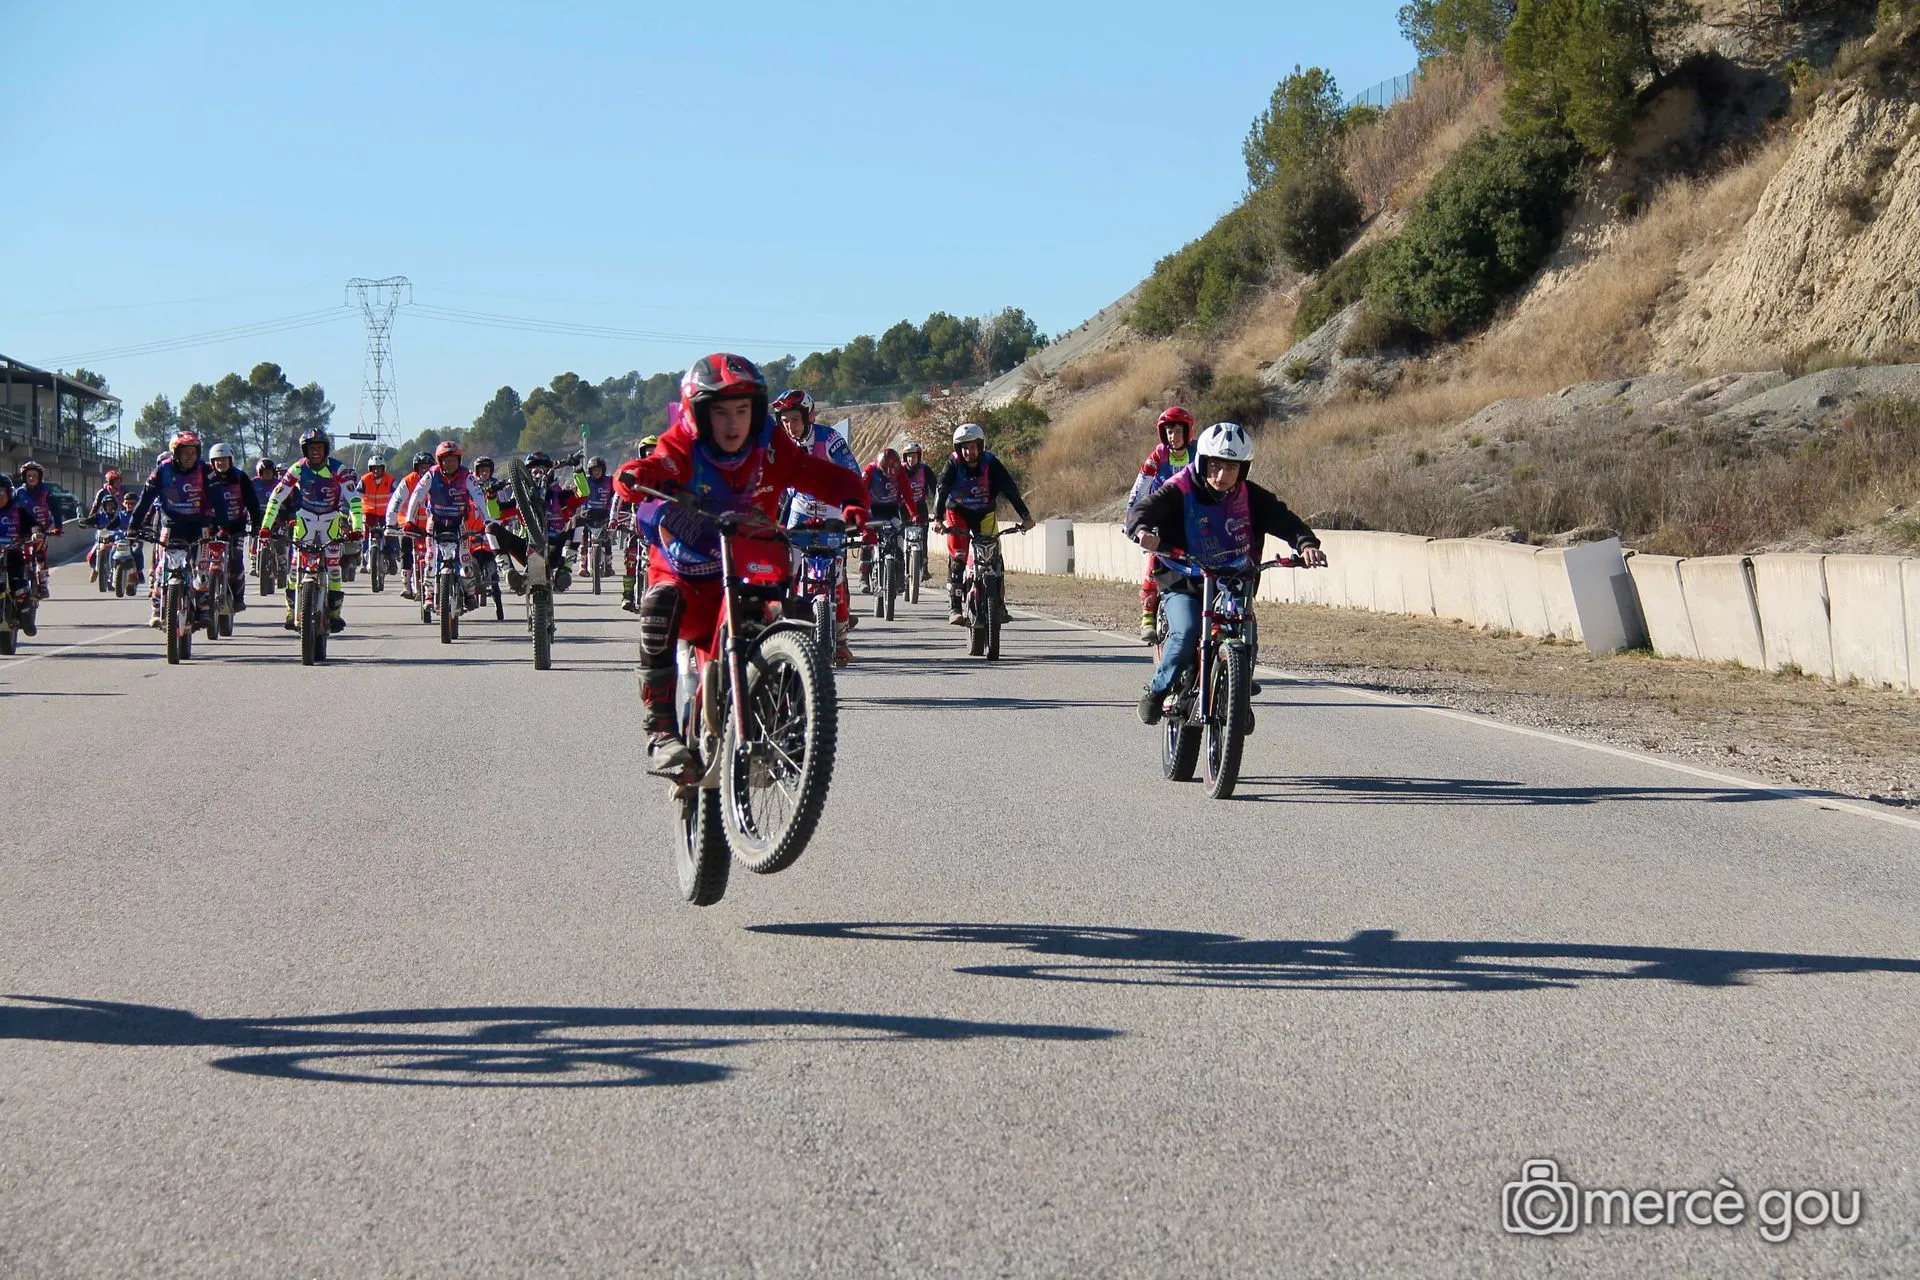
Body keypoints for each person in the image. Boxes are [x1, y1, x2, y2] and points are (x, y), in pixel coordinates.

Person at [611, 354, 869, 776]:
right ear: (699, 414)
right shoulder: (683, 442)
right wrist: (634, 473)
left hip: (753, 562)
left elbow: (819, 475)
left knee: (790, 618)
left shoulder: (771, 443)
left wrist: (855, 501)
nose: (733, 424)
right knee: (658, 607)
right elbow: (656, 467)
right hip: (687, 571)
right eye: (721, 412)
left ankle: (792, 724)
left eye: (742, 411)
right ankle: (660, 729)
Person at [1124, 421, 1325, 725]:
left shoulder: (1251, 496)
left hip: (1231, 580)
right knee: (1187, 631)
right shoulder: (1181, 487)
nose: (1221, 475)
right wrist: (1141, 530)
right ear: (1202, 462)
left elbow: (1285, 519)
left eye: (1231, 467)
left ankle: (1237, 691)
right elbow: (1143, 510)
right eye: (1215, 465)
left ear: (1243, 469)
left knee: (1247, 634)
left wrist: (1306, 543)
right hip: (1184, 577)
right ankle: (1156, 690)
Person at [772, 387, 860, 663]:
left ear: (807, 417)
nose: (789, 426)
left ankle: (842, 638)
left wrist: (855, 507)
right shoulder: (781, 445)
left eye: (794, 420)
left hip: (832, 509)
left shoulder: (829, 439)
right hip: (799, 510)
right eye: (784, 420)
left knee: (836, 572)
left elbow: (853, 473)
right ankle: (782, 625)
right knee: (786, 568)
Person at [261, 427, 363, 633]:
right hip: (304, 520)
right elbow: (276, 496)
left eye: (319, 448)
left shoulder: (339, 469)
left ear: (325, 449)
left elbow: (354, 500)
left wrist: (357, 527)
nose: (315, 452)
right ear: (305, 450)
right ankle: (291, 610)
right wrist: (265, 526)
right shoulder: (297, 468)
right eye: (311, 448)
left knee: (334, 568)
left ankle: (334, 614)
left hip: (331, 520)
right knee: (293, 568)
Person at [931, 422, 1035, 625]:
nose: (969, 451)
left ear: (980, 446)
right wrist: (937, 518)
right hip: (957, 513)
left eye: (972, 446)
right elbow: (942, 488)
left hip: (984, 513)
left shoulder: (991, 463)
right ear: (958, 449)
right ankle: (955, 608)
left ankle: (1000, 604)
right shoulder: (953, 463)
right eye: (964, 447)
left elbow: (1009, 489)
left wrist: (1025, 516)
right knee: (958, 556)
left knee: (994, 555)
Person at [129, 431, 215, 628]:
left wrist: (222, 525)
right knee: (162, 569)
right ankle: (158, 607)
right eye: (185, 452)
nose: (190, 457)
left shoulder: (206, 470)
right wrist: (133, 526)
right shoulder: (162, 471)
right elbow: (145, 500)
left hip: (199, 525)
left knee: (202, 568)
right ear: (175, 453)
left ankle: (202, 607)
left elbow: (217, 499)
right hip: (171, 525)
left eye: (194, 452)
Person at [1128, 406, 1196, 642]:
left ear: (1187, 432)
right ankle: (1147, 613)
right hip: (1161, 514)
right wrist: (1132, 517)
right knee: (1154, 557)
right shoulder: (1158, 455)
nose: (1172, 437)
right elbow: (1140, 486)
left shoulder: (1199, 453)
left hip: (1192, 516)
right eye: (1168, 432)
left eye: (1177, 431)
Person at [400, 440, 490, 613]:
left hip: (458, 522)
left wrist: (487, 519)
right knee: (431, 558)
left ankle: (470, 594)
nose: (450, 464)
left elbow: (478, 497)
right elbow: (417, 496)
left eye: (454, 460)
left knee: (465, 558)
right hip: (435, 521)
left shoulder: (466, 476)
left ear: (459, 460)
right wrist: (410, 520)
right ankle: (428, 594)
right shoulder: (431, 475)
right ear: (439, 461)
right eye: (446, 460)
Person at [486, 451, 585, 593]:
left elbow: (583, 493)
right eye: (533, 470)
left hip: (555, 548)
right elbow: (496, 514)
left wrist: (578, 468)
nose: (538, 473)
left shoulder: (559, 495)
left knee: (578, 520)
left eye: (543, 469)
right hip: (528, 548)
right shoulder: (521, 499)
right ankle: (509, 572)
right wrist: (491, 496)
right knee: (491, 528)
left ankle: (565, 569)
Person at [204, 442, 262, 612]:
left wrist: (257, 524)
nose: (221, 464)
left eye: (224, 460)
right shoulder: (207, 478)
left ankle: (238, 597)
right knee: (203, 560)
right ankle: (203, 595)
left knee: (235, 560)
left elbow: (252, 502)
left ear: (230, 460)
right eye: (217, 461)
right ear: (212, 462)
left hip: (236, 525)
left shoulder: (240, 477)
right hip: (212, 526)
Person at [857, 446, 919, 593]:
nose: (891, 476)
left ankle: (899, 576)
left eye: (894, 472)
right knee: (867, 541)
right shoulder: (870, 471)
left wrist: (913, 514)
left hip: (891, 508)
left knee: (898, 539)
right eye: (887, 473)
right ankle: (864, 576)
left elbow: (907, 494)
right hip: (872, 508)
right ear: (881, 468)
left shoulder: (900, 472)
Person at [612, 435, 659, 611]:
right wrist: (612, 519)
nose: (651, 454)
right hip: (636, 526)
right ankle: (628, 596)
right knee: (630, 559)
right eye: (648, 451)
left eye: (654, 451)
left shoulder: (667, 473)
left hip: (659, 528)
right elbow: (618, 496)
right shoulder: (634, 472)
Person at [386, 452, 434, 599]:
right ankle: (406, 584)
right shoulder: (408, 481)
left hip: (429, 524)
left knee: (433, 552)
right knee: (406, 550)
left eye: (428, 467)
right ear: (416, 468)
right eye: (422, 467)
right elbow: (395, 502)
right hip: (407, 522)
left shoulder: (437, 480)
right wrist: (390, 523)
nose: (425, 470)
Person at [14, 460, 62, 600]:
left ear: (39, 477)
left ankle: (43, 584)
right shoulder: (19, 493)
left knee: (41, 555)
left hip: (41, 530)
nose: (31, 478)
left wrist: (58, 527)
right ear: (24, 477)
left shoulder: (46, 492)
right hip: (22, 531)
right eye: (29, 476)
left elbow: (56, 510)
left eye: (34, 475)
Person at [0, 476, 42, 635]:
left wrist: (35, 534)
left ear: (9, 494)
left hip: (12, 554)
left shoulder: (17, 512)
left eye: (1, 492)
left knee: (19, 585)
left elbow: (34, 526)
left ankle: (26, 617)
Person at [899, 441, 936, 583]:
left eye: (913, 456)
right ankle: (899, 566)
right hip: (902, 507)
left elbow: (936, 489)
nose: (911, 459)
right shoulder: (899, 470)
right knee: (900, 536)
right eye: (908, 456)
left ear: (918, 457)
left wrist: (938, 510)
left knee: (923, 537)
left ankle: (923, 566)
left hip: (920, 506)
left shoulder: (925, 470)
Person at [359, 455, 397, 579]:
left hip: (385, 513)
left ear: (383, 468)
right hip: (369, 513)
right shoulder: (364, 480)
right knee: (365, 534)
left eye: (379, 468)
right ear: (370, 469)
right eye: (374, 468)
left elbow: (396, 496)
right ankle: (364, 561)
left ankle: (392, 558)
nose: (376, 471)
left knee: (390, 533)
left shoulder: (390, 480)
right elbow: (355, 495)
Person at [84, 469, 125, 581]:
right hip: (103, 524)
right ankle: (95, 568)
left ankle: (119, 571)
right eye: (116, 481)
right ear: (110, 482)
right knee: (96, 548)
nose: (119, 484)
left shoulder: (121, 493)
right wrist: (90, 520)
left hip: (117, 523)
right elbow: (95, 507)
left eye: (119, 481)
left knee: (121, 546)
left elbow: (125, 508)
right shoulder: (102, 492)